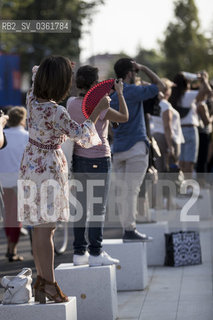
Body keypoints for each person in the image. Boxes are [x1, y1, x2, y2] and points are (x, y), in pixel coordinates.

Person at [18, 56, 110, 303]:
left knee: (39, 226)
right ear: (59, 83)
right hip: (48, 167)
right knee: (46, 229)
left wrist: (57, 64)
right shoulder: (55, 111)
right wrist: (98, 110)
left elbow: (37, 70)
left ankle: (41, 281)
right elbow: (82, 136)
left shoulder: (31, 98)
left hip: (31, 163)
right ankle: (49, 283)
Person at [67, 65, 128, 266]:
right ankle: (96, 253)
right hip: (100, 158)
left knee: (81, 208)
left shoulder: (70, 103)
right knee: (98, 208)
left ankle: (78, 253)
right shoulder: (99, 105)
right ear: (94, 84)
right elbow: (124, 117)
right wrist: (118, 93)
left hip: (78, 158)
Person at [110, 58, 165, 241]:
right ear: (130, 73)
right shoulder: (133, 91)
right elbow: (161, 86)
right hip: (136, 147)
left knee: (121, 193)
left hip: (117, 148)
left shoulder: (110, 94)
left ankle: (125, 227)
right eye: (134, 71)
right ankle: (130, 229)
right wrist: (144, 67)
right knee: (132, 191)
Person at [169, 71, 212, 178]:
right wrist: (203, 79)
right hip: (190, 129)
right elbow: (208, 91)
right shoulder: (188, 95)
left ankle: (182, 187)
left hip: (179, 130)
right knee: (189, 162)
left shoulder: (173, 97)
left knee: (181, 162)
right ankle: (189, 187)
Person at [0, 107, 29, 261]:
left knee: (7, 216)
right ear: (23, 119)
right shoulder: (26, 136)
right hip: (20, 180)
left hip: (3, 179)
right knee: (17, 216)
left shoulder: (2, 134)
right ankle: (13, 249)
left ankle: (10, 247)